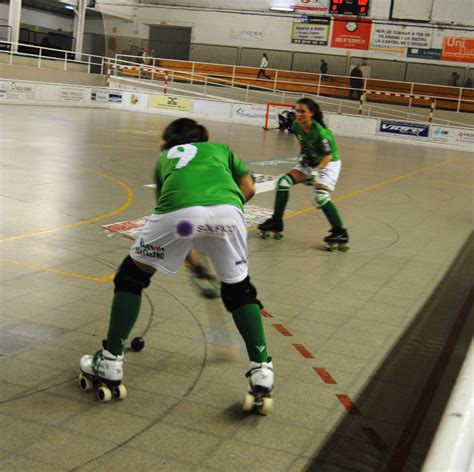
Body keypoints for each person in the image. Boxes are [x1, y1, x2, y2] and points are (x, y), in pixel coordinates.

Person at [79, 118, 274, 411]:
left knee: (131, 278)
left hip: (179, 216)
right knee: (239, 290)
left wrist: (192, 256)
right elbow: (249, 187)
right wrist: (220, 214)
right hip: (229, 212)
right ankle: (262, 369)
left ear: (170, 141)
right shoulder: (221, 149)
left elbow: (176, 220)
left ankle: (109, 361)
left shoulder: (164, 159)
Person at [258, 98, 349, 251]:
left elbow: (328, 156)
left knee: (320, 197)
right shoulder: (296, 126)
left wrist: (314, 172)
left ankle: (340, 232)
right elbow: (304, 143)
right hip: (310, 160)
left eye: (302, 111)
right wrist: (302, 157)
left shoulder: (321, 132)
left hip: (328, 164)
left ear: (311, 113)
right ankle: (276, 222)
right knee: (282, 182)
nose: (298, 114)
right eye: (296, 110)